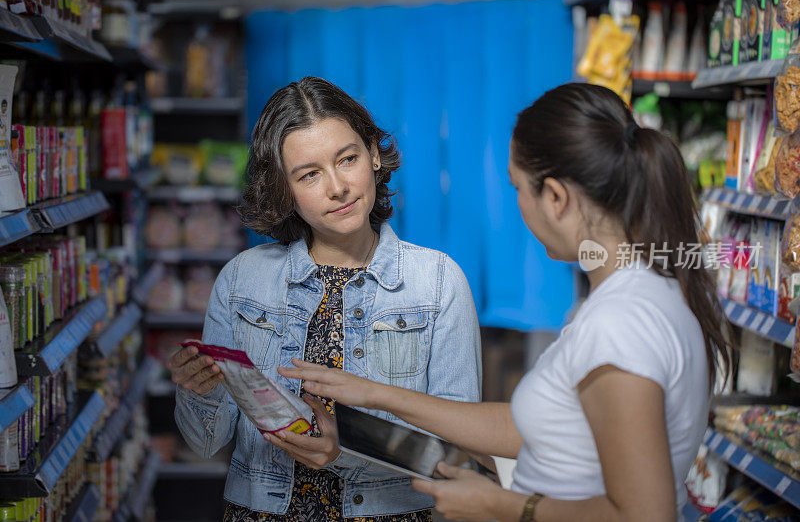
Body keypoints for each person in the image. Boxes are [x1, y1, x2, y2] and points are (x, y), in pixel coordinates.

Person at [281, 83, 731, 522]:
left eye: (517, 188)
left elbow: (644, 514)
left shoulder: (619, 322)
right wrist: (377, 394)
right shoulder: (653, 289)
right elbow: (535, 430)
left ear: (555, 197)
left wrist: (501, 507)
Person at [166, 76, 482, 521]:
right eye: (309, 174)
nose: (338, 187)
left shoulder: (436, 282)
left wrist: (346, 452)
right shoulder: (243, 281)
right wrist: (196, 390)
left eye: (347, 159)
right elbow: (204, 442)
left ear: (373, 154)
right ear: (285, 189)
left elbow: (456, 455)